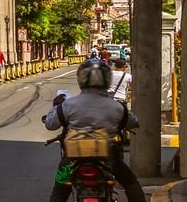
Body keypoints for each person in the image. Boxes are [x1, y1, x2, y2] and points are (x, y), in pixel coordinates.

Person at [44, 57, 143, 202]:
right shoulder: (116, 107)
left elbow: (50, 124)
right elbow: (134, 122)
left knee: (59, 190)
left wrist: (56, 106)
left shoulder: (67, 105)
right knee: (130, 183)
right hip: (108, 158)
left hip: (72, 159)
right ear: (106, 80)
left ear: (81, 79)